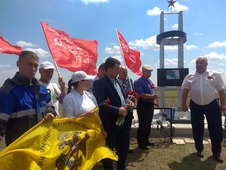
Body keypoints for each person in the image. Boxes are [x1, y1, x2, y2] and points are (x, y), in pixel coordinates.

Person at [0, 51, 57, 146]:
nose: (33, 69)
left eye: (36, 65)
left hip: (41, 146)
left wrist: (50, 112)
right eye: (29, 65)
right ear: (18, 64)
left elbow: (49, 106)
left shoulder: (41, 89)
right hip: (20, 151)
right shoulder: (8, 91)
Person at [182, 57, 226, 163]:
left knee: (216, 129)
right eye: (197, 62)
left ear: (207, 64)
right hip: (196, 105)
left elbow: (221, 90)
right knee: (197, 128)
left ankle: (216, 152)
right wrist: (183, 104)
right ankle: (199, 149)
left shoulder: (215, 75)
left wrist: (224, 104)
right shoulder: (189, 77)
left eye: (202, 62)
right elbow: (185, 91)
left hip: (211, 105)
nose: (199, 64)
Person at [93, 57, 134, 170]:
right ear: (109, 69)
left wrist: (128, 103)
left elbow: (121, 98)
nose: (118, 71)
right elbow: (100, 104)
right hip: (110, 123)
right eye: (116, 69)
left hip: (123, 121)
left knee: (124, 147)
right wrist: (117, 110)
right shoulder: (99, 83)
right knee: (109, 149)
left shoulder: (117, 82)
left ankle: (121, 167)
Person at [62, 71, 106, 138]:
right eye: (86, 80)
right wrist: (84, 116)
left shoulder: (90, 96)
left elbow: (97, 115)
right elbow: (67, 121)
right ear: (80, 82)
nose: (89, 81)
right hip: (77, 136)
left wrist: (102, 129)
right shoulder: (69, 98)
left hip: (93, 133)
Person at [134, 65, 158, 150]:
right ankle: (141, 143)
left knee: (148, 123)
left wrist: (153, 101)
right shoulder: (138, 82)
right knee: (143, 124)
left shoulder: (149, 81)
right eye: (148, 72)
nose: (149, 73)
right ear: (143, 72)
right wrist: (152, 96)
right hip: (143, 104)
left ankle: (146, 140)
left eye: (150, 72)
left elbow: (150, 92)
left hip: (149, 104)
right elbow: (141, 94)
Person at [117, 66, 135, 153]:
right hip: (120, 110)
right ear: (118, 73)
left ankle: (126, 147)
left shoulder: (130, 81)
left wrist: (133, 101)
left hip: (129, 109)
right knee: (119, 128)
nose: (126, 74)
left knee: (128, 129)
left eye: (126, 72)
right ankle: (118, 147)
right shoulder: (116, 82)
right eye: (124, 73)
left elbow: (133, 93)